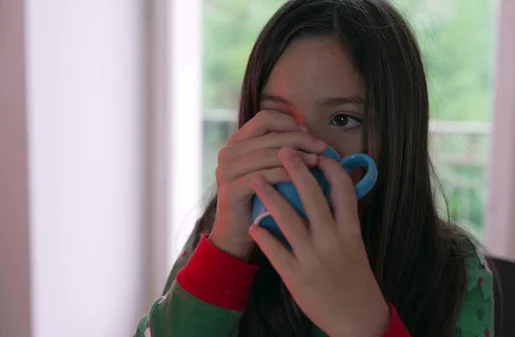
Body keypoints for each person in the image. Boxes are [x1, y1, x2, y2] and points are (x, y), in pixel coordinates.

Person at [134, 0, 494, 336]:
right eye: (279, 116)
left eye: (342, 119)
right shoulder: (222, 233)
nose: (303, 150)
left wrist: (366, 322)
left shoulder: (454, 269)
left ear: (398, 135)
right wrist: (226, 250)